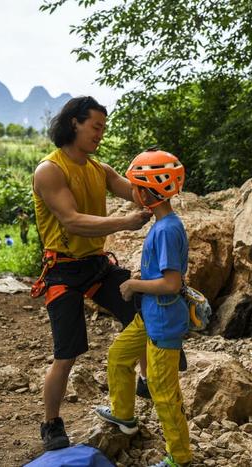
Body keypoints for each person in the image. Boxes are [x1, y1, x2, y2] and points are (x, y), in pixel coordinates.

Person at [32, 96, 152, 451]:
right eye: (96, 126)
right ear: (74, 123)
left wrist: (157, 180)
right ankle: (51, 423)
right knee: (67, 353)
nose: (101, 134)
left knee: (141, 310)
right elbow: (72, 220)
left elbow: (134, 191)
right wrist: (125, 223)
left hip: (97, 265)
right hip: (63, 271)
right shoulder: (49, 170)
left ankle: (145, 381)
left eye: (103, 128)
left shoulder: (98, 169)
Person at [95, 149, 192, 467]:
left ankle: (179, 457)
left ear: (147, 191)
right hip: (149, 315)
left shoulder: (166, 230)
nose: (131, 190)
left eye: (134, 185)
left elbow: (171, 284)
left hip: (163, 320)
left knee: (164, 392)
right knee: (119, 356)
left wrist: (134, 284)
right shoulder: (164, 224)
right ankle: (124, 414)